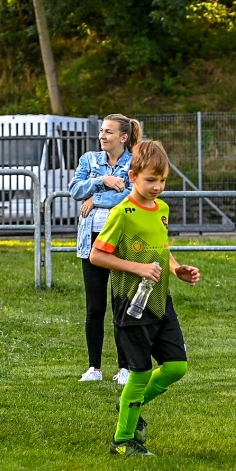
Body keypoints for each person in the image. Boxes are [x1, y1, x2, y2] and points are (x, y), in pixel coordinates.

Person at [89, 140, 201, 457]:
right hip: (131, 304)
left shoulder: (162, 209)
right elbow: (97, 255)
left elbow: (161, 249)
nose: (157, 187)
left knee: (176, 367)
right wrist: (138, 268)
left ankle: (130, 404)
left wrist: (177, 269)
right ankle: (123, 442)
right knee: (139, 372)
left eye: (162, 180)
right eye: (151, 180)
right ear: (133, 175)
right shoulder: (121, 213)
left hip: (161, 300)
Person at [72, 115, 139, 384]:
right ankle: (94, 368)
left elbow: (130, 194)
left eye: (109, 132)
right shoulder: (88, 160)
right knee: (95, 308)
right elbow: (75, 189)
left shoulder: (134, 162)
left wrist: (95, 198)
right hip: (91, 242)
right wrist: (104, 181)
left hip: (120, 242)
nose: (102, 135)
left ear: (123, 137)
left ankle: (125, 367)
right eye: (101, 130)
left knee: (121, 305)